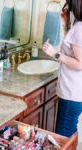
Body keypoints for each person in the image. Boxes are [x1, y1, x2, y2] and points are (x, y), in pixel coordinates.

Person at [43, 0, 82, 138]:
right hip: (75, 92)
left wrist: (55, 53)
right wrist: (66, 24)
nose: (67, 6)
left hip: (71, 94)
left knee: (62, 137)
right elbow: (71, 48)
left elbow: (79, 63)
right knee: (69, 133)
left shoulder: (79, 28)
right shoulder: (77, 26)